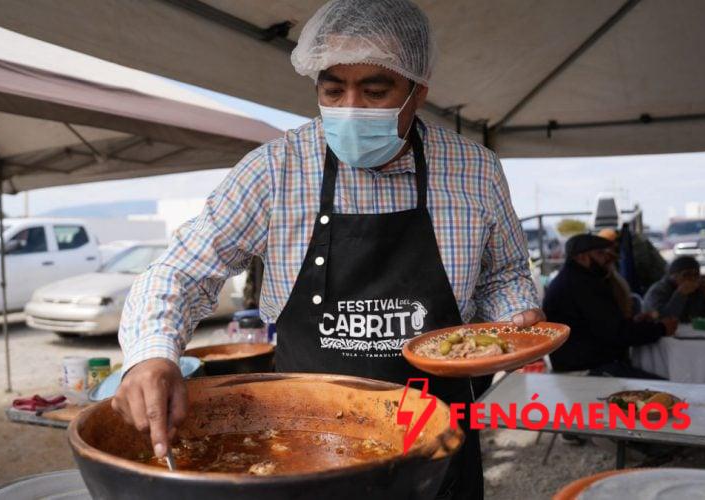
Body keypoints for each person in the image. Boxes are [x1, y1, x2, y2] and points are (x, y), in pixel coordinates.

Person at [114, 1, 542, 498]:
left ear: (417, 92)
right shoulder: (276, 169)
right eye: (333, 90)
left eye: (375, 91)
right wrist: (151, 356)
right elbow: (180, 270)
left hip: (437, 439)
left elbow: (504, 273)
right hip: (305, 441)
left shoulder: (475, 171)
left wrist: (516, 319)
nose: (351, 108)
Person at [544, 234, 677, 377]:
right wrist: (661, 329)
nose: (607, 259)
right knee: (665, 390)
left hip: (587, 364)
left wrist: (635, 323)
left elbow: (606, 325)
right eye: (600, 253)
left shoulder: (576, 279)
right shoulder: (582, 284)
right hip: (588, 370)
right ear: (582, 257)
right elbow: (617, 333)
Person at [643, 256, 705, 322]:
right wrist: (680, 294)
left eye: (696, 274)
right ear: (673, 276)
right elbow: (661, 318)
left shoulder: (699, 290)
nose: (692, 278)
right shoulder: (659, 290)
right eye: (686, 274)